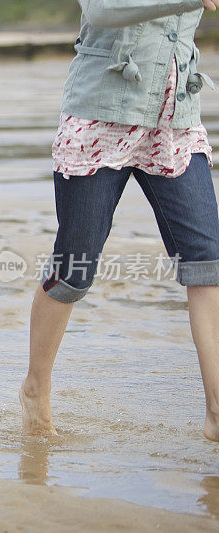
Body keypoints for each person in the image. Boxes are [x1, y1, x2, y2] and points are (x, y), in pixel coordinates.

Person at [20, 0, 219, 442]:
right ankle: (36, 388)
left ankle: (217, 411)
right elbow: (103, 10)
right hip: (100, 116)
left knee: (208, 263)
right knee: (74, 271)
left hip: (175, 118)